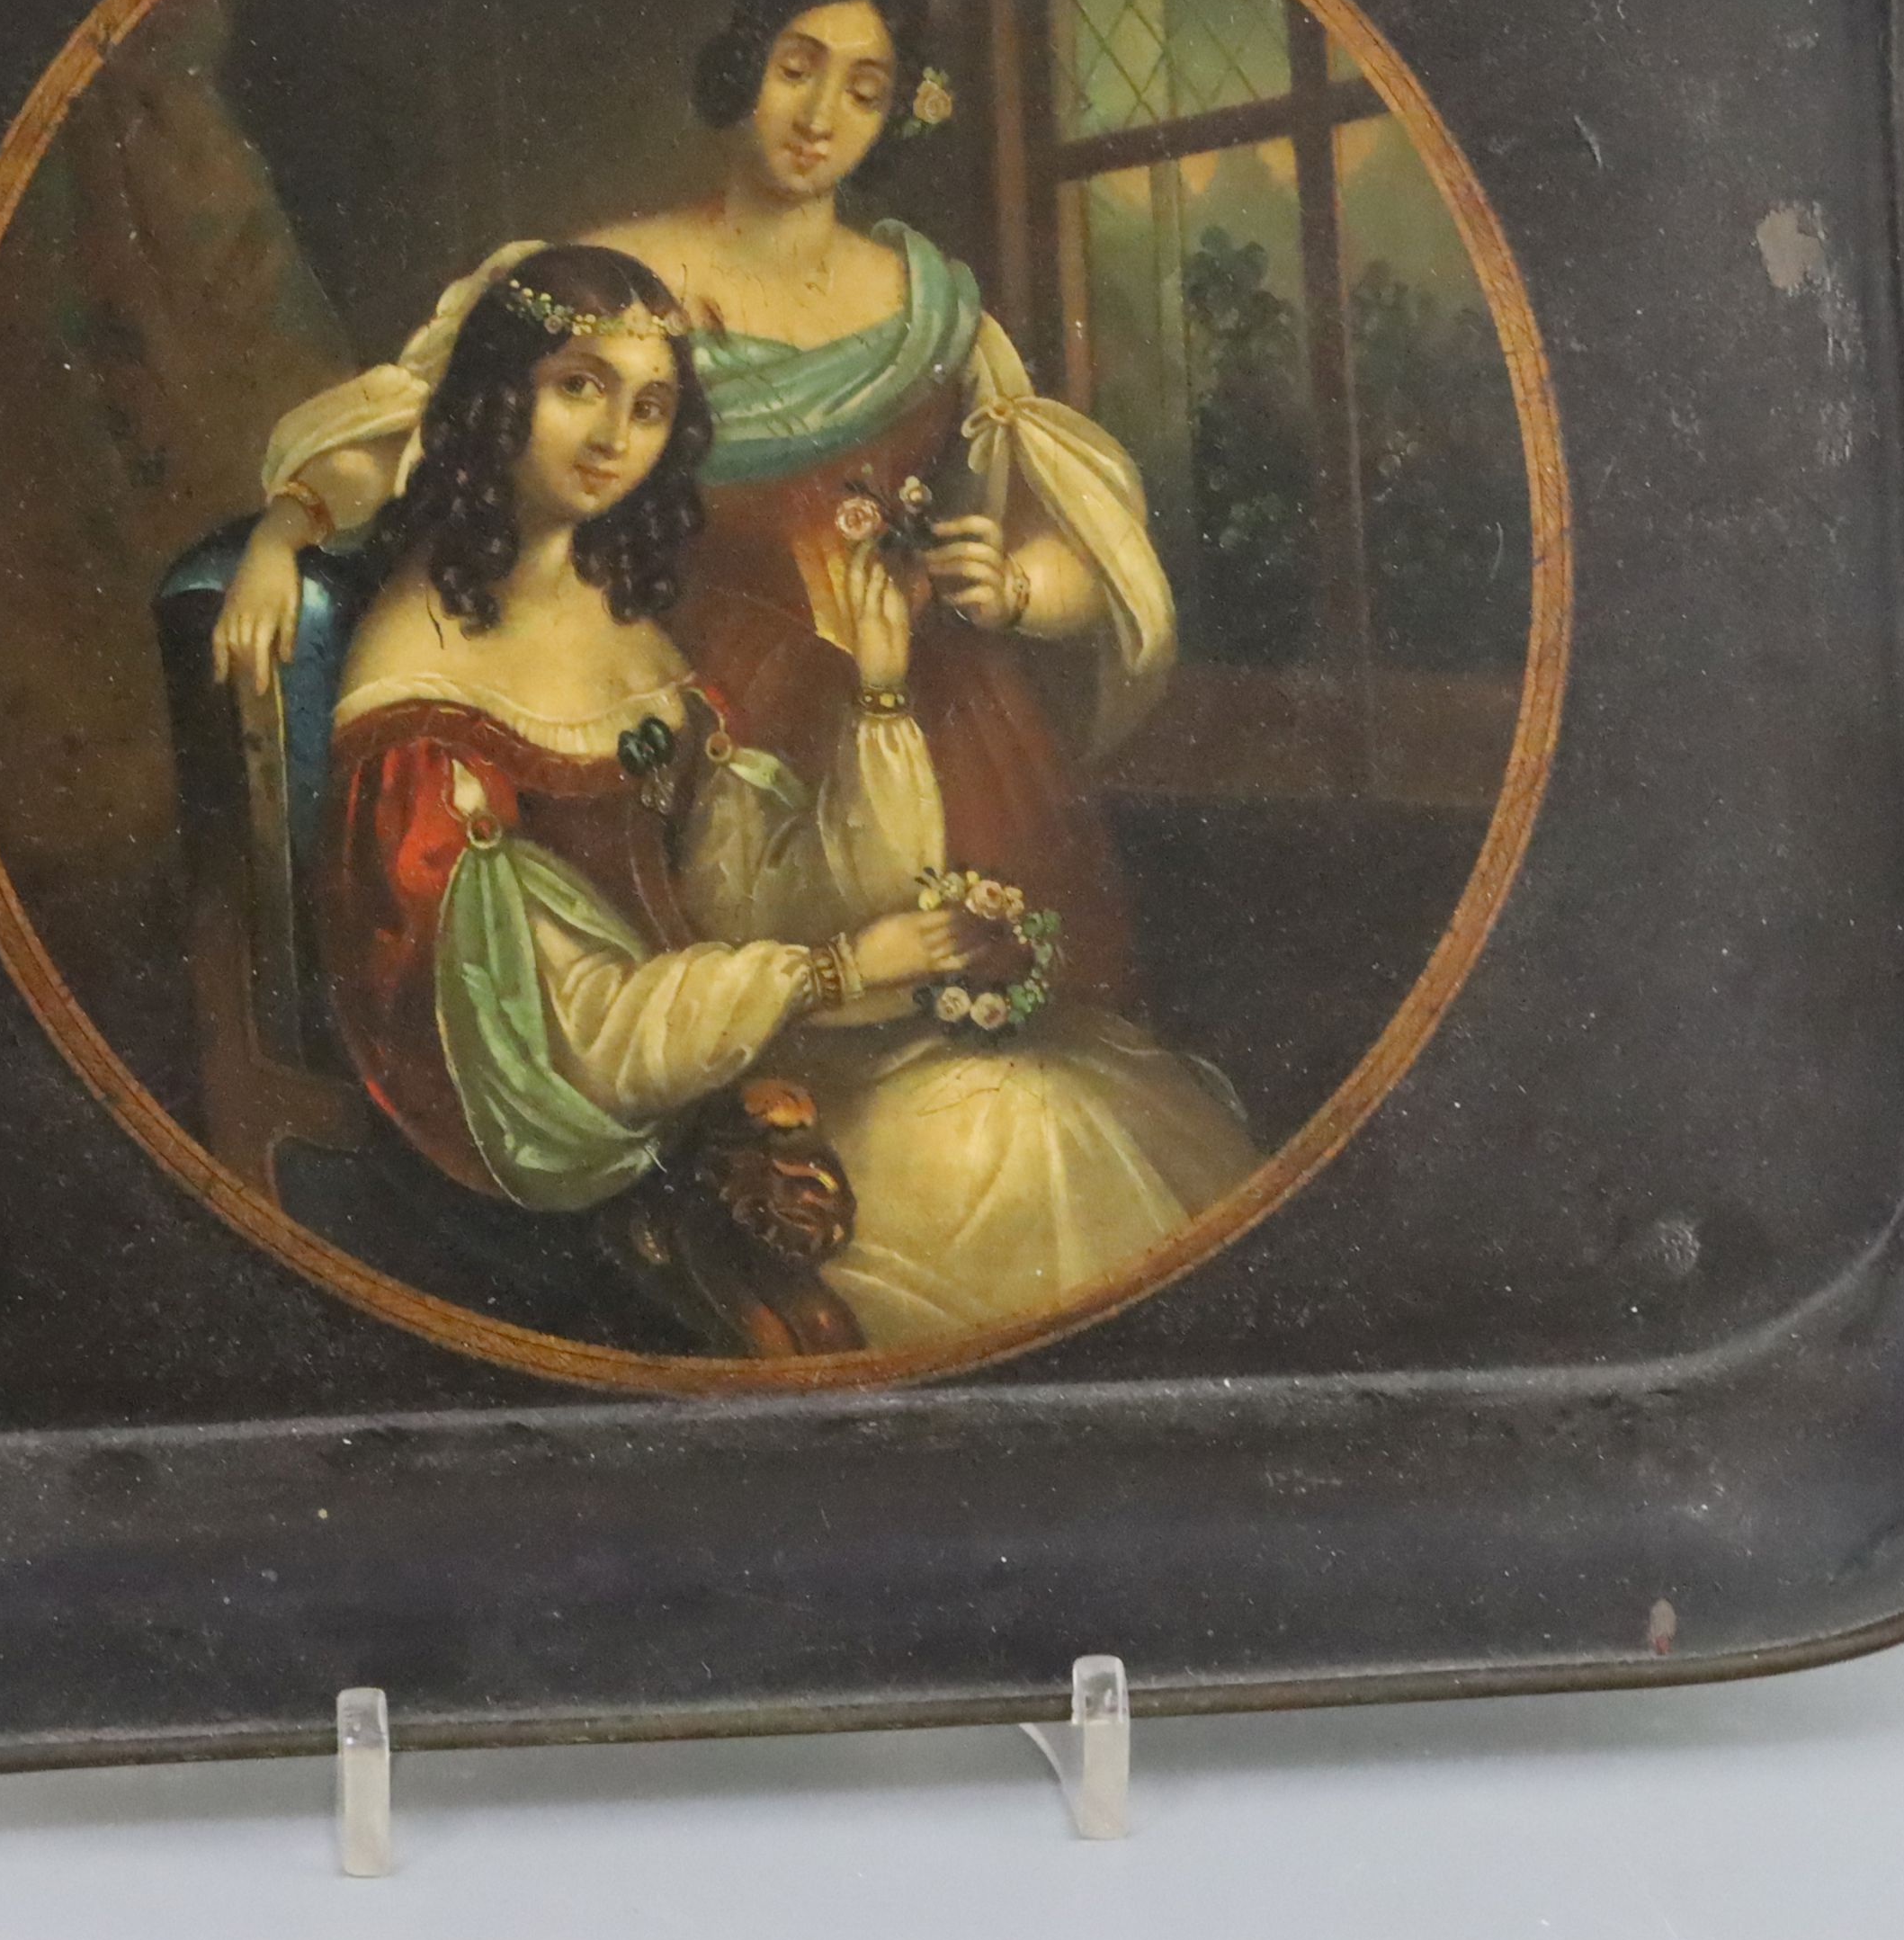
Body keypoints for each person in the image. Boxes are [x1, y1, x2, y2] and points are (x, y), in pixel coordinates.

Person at [315, 243, 1259, 1352]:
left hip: (713, 1071)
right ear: (496, 392)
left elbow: (741, 889)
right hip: (593, 1154)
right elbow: (561, 1046)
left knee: (1056, 1101)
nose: (617, 436)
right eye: (580, 386)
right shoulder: (419, 682)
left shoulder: (620, 614)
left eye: (652, 404)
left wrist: (878, 693)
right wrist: (842, 971)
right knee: (1018, 1141)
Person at [226, 0, 1172, 1007]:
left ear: (896, 114)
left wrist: (1013, 588)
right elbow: (418, 427)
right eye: (795, 69)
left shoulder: (934, 308)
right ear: (742, 70)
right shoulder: (609, 275)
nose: (820, 117)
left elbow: (1074, 537)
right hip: (708, 716)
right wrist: (289, 526)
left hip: (940, 723)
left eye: (863, 92)